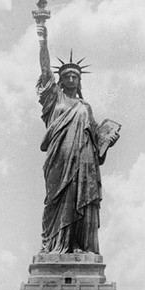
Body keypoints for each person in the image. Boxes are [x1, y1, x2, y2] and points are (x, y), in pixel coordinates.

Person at [35, 21, 119, 254]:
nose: (71, 79)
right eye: (67, 76)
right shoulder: (54, 99)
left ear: (79, 81)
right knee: (58, 200)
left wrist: (107, 142)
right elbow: (45, 70)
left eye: (75, 76)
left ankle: (78, 245)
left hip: (84, 163)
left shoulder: (85, 107)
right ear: (60, 80)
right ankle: (55, 246)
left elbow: (96, 142)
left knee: (79, 198)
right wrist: (42, 38)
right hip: (59, 161)